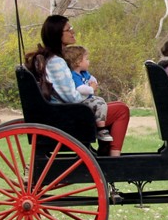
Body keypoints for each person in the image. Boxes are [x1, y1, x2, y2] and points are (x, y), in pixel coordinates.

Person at [24, 15, 130, 156]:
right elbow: (72, 98)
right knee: (121, 110)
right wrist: (90, 90)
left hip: (60, 111)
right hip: (67, 115)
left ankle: (106, 148)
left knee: (116, 105)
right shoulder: (56, 62)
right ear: (57, 34)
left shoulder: (51, 58)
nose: (73, 32)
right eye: (68, 29)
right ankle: (114, 157)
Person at [63, 45, 113, 142]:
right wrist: (92, 88)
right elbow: (80, 88)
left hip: (87, 99)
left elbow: (92, 79)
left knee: (100, 101)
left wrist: (95, 82)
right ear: (78, 62)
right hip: (81, 102)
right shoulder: (73, 75)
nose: (88, 61)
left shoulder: (83, 73)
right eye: (86, 59)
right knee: (100, 104)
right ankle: (101, 129)